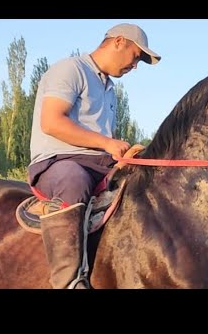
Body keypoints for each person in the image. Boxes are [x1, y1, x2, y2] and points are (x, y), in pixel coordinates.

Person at [28, 23, 161, 289]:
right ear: (119, 42)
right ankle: (68, 282)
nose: (135, 66)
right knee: (73, 181)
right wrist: (106, 143)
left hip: (100, 165)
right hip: (59, 162)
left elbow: (104, 145)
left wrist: (124, 157)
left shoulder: (109, 89)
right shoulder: (71, 69)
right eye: (136, 57)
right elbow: (52, 122)